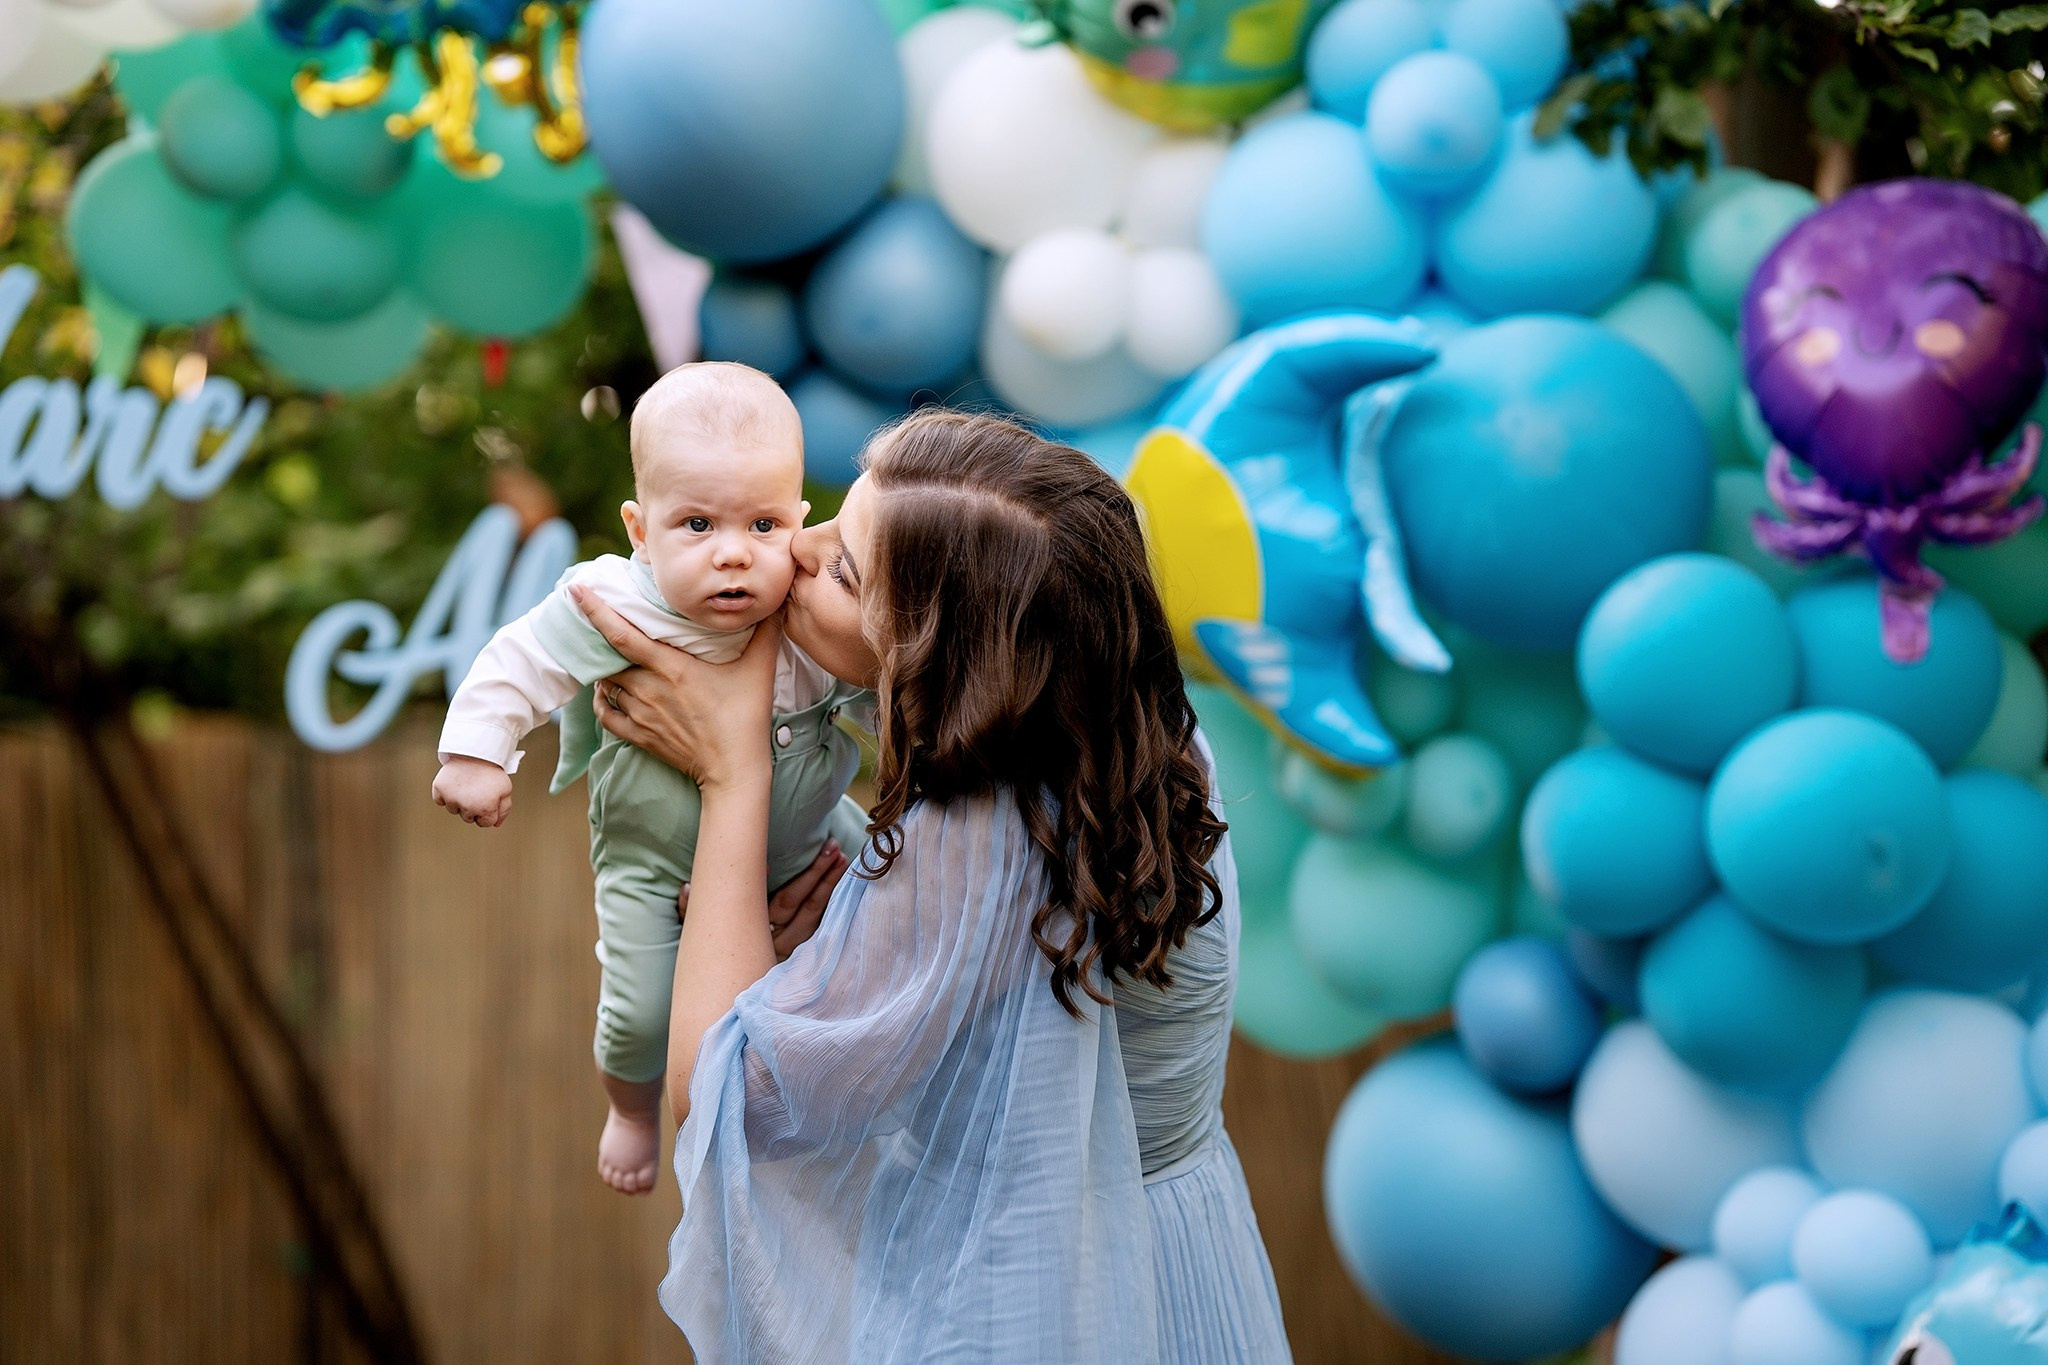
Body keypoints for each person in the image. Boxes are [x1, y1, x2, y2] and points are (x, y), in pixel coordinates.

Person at [575, 409, 1293, 1363]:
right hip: (1182, 1248)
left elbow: (728, 1104)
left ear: (938, 657)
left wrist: (732, 774)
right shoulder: (1129, 720)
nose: (798, 546)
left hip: (1036, 1293)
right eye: (834, 515)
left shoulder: (975, 833)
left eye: (843, 571)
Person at [431, 362, 866, 1197]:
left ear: (800, 521)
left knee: (894, 870)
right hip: (653, 861)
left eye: (764, 523)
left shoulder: (805, 605)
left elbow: (880, 693)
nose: (734, 552)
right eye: (697, 523)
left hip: (813, 831)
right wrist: (477, 753)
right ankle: (629, 1104)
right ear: (640, 527)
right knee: (637, 1013)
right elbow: (519, 661)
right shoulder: (617, 601)